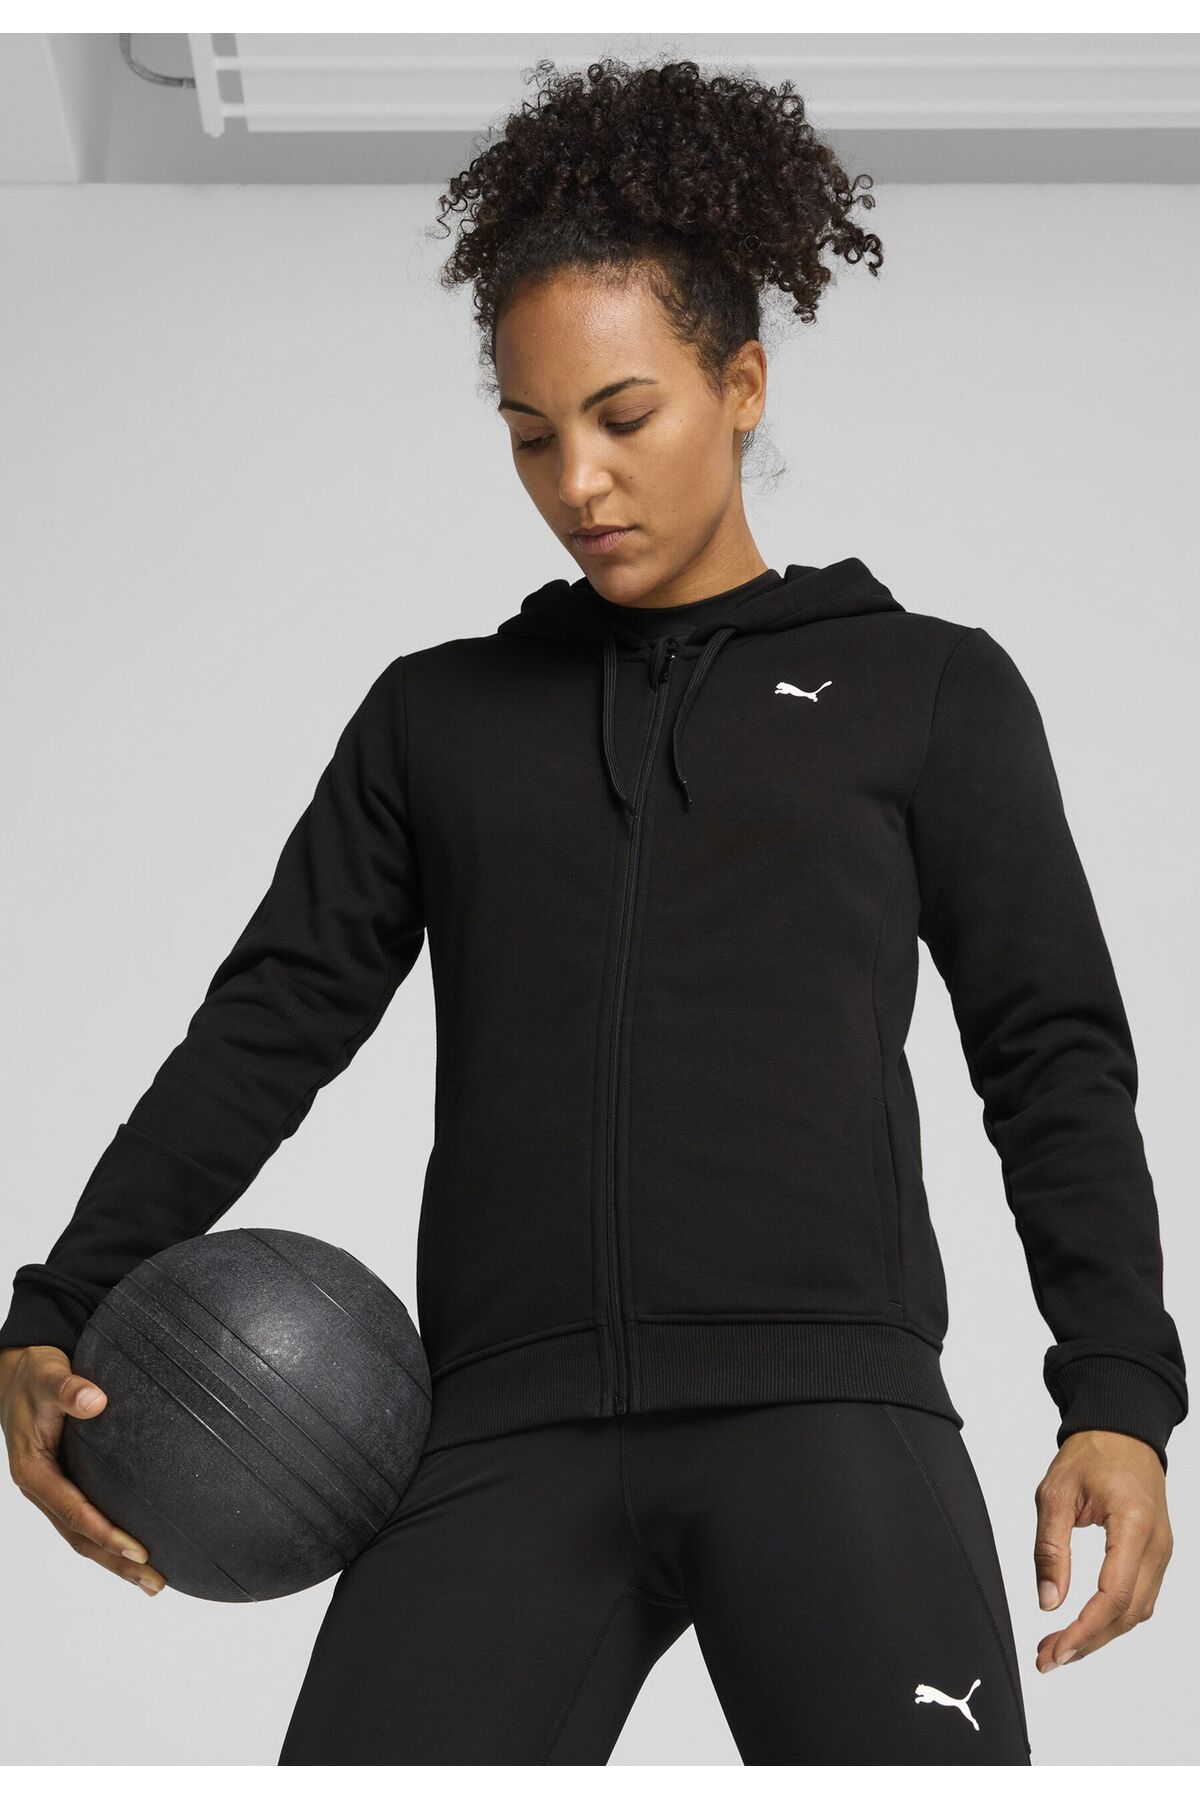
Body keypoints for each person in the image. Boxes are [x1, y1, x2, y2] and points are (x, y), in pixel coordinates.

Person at [0, 55, 1186, 1766]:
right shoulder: (439, 718)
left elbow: (1052, 1054)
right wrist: (60, 1304)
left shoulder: (925, 690)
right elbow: (269, 1025)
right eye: (531, 433)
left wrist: (1119, 1394)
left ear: (742, 382)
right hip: (503, 1426)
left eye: (626, 417)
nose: (579, 481)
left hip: (825, 1406)